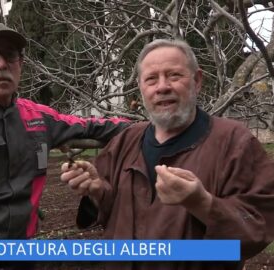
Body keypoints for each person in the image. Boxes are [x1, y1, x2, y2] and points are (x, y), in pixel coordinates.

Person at [0, 22, 129, 270]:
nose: (1, 64)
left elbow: (93, 126)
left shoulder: (38, 118)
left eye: (10, 55)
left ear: (20, 64)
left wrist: (151, 128)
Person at [60, 39, 274, 270]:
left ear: (197, 81)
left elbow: (258, 229)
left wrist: (202, 203)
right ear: (141, 88)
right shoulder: (125, 141)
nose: (162, 87)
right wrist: (98, 191)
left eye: (174, 75)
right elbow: (112, 213)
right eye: (151, 79)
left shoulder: (235, 142)